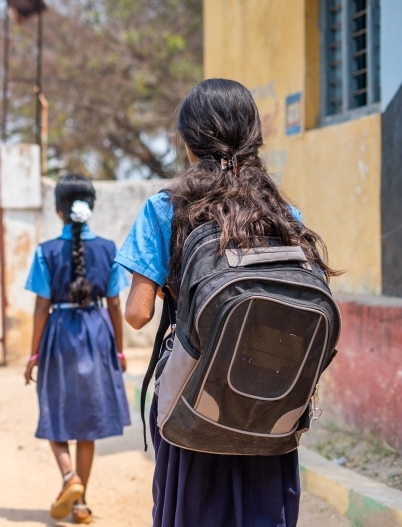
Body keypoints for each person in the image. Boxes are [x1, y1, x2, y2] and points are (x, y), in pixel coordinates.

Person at [115, 78, 337, 527]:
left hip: (194, 399)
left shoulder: (166, 209)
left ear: (189, 141)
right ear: (254, 137)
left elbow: (138, 315)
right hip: (271, 398)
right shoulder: (282, 213)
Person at [23, 174, 131, 524]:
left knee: (55, 412)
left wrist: (33, 354)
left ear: (58, 210)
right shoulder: (109, 249)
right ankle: (80, 504)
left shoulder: (46, 251)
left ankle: (69, 477)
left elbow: (41, 307)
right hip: (98, 333)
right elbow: (115, 305)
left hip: (59, 334)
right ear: (92, 207)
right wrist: (119, 350)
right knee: (88, 421)